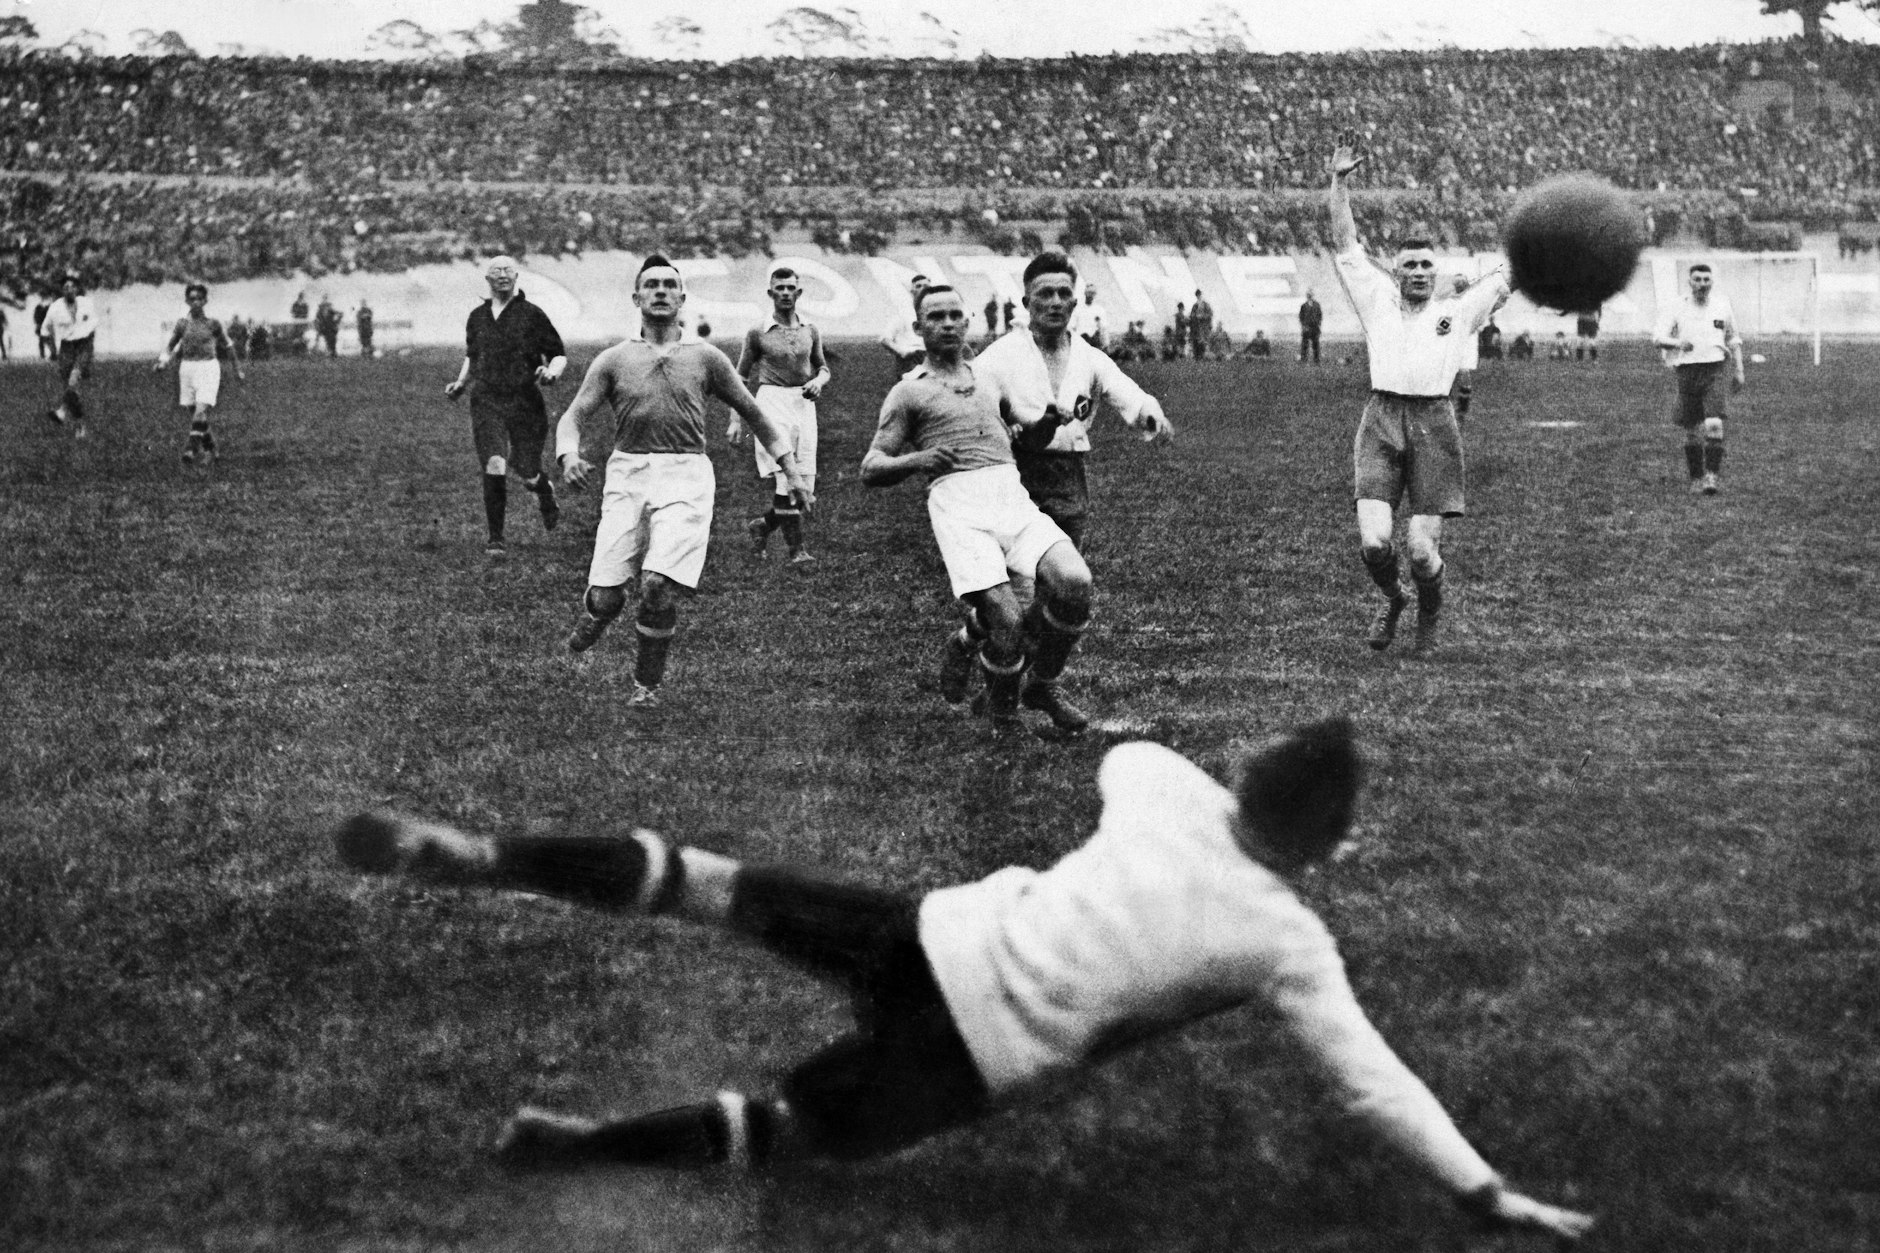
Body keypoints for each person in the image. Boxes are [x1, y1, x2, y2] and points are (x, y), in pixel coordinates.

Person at [331, 716, 1596, 1247]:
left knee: (706, 884)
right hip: (982, 1051)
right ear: (1334, 848)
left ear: (1243, 773)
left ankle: (488, 854)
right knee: (795, 1126)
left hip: (934, 933)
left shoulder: (1160, 783)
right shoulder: (1285, 941)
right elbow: (1371, 1082)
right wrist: (1481, 1189)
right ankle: (580, 1146)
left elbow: (1129, 756)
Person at [555, 255, 814, 706]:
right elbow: (572, 417)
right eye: (650, 285)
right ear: (636, 298)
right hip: (628, 474)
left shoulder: (706, 358)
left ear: (682, 299)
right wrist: (568, 454)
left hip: (686, 475)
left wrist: (791, 470)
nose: (660, 291)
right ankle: (597, 613)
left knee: (657, 584)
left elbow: (758, 416)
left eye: (668, 285)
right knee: (608, 595)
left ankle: (646, 686)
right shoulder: (614, 359)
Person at [863, 283, 1099, 738]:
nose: (948, 324)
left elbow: (1024, 440)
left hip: (1011, 494)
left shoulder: (988, 380)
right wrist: (919, 460)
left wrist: (1046, 423)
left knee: (1076, 583)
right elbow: (871, 467)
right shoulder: (907, 393)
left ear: (968, 321)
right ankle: (1004, 717)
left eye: (955, 314)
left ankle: (1041, 685)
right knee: (1008, 623)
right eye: (936, 317)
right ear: (918, 328)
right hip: (958, 505)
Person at [1328, 134, 1507, 653]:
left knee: (1423, 553)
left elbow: (1507, 278)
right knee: (1373, 543)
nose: (1420, 273)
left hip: (1434, 421)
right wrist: (1339, 182)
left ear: (1438, 271)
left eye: (1428, 265)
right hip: (1381, 418)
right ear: (1396, 271)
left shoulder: (1458, 310)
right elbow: (1345, 242)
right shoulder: (1376, 300)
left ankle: (1429, 612)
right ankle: (1394, 600)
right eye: (1410, 265)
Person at [976, 251, 1172, 554]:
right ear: (1027, 303)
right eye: (1045, 293)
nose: (1055, 302)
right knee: (1018, 579)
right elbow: (972, 410)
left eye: (1063, 293)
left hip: (1068, 476)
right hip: (1014, 472)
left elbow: (1128, 394)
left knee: (1065, 581)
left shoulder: (1090, 358)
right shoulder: (998, 357)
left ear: (1074, 303)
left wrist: (1150, 414)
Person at [444, 256, 569, 555]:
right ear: (487, 279)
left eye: (508, 270)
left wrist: (551, 372)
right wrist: (461, 384)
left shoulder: (532, 314)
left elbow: (558, 353)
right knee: (494, 462)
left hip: (524, 400)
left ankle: (544, 491)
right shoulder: (477, 317)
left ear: (516, 277)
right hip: (486, 399)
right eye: (496, 271)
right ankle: (496, 538)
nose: (503, 275)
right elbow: (473, 356)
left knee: (526, 472)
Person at [735, 266, 831, 566]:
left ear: (799, 293)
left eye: (791, 288)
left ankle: (762, 526)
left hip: (803, 403)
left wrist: (818, 381)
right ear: (771, 293)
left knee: (806, 484)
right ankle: (797, 550)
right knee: (787, 481)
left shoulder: (810, 330)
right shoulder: (757, 332)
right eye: (780, 288)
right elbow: (740, 376)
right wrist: (735, 420)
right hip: (772, 403)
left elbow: (823, 368)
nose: (786, 293)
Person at [1652, 263, 1745, 497]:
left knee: (1714, 422)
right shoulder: (1676, 307)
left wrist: (1739, 370)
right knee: (1692, 428)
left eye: (1706, 280)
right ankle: (1696, 477)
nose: (1702, 284)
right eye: (1697, 280)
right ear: (1690, 283)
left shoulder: (1722, 305)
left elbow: (1733, 338)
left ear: (1712, 282)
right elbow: (1657, 337)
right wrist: (1676, 343)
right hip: (1687, 370)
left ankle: (1711, 477)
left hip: (1716, 368)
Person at [154, 282, 245, 466]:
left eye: (199, 299)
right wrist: (163, 362)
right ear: (187, 301)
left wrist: (238, 369)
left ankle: (190, 448)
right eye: (192, 298)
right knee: (196, 414)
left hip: (208, 368)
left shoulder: (213, 323)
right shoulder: (182, 324)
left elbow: (228, 346)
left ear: (205, 301)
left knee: (200, 410)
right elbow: (171, 345)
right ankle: (211, 449)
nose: (195, 302)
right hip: (187, 369)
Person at [42, 272, 98, 434]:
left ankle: (61, 411)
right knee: (71, 389)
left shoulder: (86, 303)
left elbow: (94, 324)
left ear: (77, 288)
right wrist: (53, 351)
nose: (70, 289)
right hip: (66, 348)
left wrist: (89, 345)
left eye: (73, 286)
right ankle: (80, 426)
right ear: (62, 290)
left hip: (83, 345)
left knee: (73, 378)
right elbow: (45, 332)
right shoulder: (55, 308)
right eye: (66, 287)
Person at [880, 274, 929, 374]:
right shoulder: (904, 314)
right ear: (912, 291)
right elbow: (885, 339)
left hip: (931, 358)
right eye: (919, 286)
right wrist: (902, 352)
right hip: (911, 358)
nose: (923, 289)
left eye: (926, 286)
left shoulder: (936, 313)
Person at [1070, 282, 1107, 351]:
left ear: (1095, 295)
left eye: (1093, 293)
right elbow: (1072, 327)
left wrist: (1105, 344)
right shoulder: (1078, 309)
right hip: (1081, 342)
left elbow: (1103, 328)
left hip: (1095, 343)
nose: (1090, 296)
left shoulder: (1099, 310)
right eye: (1089, 293)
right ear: (1085, 293)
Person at [1188, 289, 1214, 360]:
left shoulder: (1206, 304)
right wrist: (1195, 316)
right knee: (1197, 342)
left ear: (1201, 295)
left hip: (1205, 327)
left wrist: (1203, 316)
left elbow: (1210, 314)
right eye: (1197, 295)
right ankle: (1198, 357)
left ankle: (1206, 357)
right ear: (1196, 296)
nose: (1199, 296)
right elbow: (1192, 315)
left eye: (1199, 295)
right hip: (1197, 328)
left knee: (1205, 342)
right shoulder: (1195, 306)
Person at [1299, 290, 1324, 363]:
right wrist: (1303, 325)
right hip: (1306, 328)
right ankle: (1303, 359)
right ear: (1307, 296)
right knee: (1305, 345)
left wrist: (1318, 324)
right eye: (1308, 295)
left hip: (1315, 328)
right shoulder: (1303, 306)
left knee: (1315, 344)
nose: (1309, 296)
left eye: (1310, 295)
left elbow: (1320, 315)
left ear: (1312, 296)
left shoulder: (1317, 305)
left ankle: (1316, 359)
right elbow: (1301, 316)